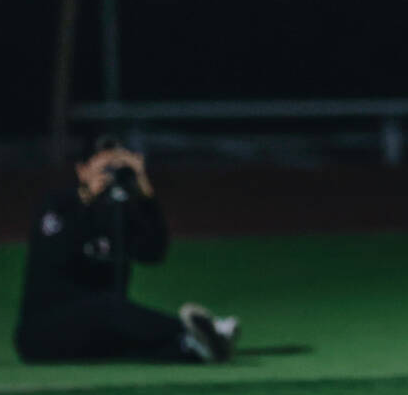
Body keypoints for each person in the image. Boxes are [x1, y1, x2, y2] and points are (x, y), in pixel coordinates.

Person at [14, 135, 239, 363]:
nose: (112, 173)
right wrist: (88, 199)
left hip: (98, 329)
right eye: (105, 166)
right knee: (107, 305)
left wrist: (145, 194)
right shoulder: (59, 205)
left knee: (150, 347)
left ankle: (198, 348)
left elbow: (154, 252)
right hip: (44, 331)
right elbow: (54, 254)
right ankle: (204, 330)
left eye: (117, 167)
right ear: (82, 171)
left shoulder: (118, 212)